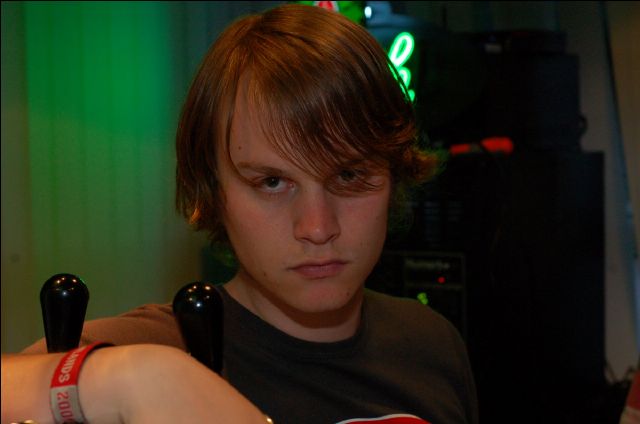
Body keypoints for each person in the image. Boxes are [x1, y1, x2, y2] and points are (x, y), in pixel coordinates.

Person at [2, 4, 478, 424]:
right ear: (213, 191)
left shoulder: (432, 344)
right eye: (271, 182)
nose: (317, 227)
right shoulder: (157, 345)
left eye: (349, 176)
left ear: (395, 173)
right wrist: (131, 378)